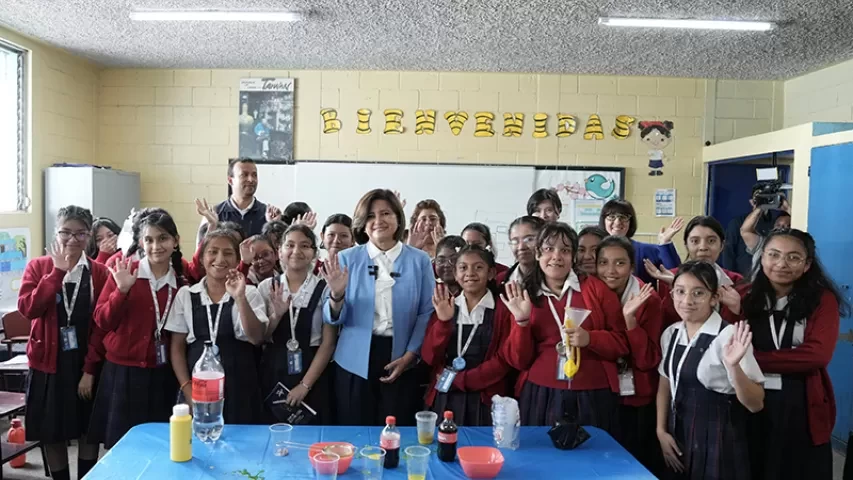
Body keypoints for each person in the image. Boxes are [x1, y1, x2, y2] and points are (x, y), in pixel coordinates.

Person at [499, 223, 628, 431]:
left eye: (565, 250)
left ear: (574, 256)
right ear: (538, 253)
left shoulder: (597, 290)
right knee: (542, 450)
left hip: (593, 391)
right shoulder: (523, 295)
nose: (556, 256)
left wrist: (590, 339)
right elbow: (518, 360)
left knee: (593, 450)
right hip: (540, 392)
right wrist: (521, 322)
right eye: (549, 249)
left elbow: (621, 344)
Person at [322, 189, 435, 426]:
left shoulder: (419, 260)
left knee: (396, 432)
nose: (378, 221)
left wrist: (410, 356)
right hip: (353, 360)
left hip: (402, 357)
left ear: (398, 219)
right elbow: (331, 317)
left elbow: (427, 313)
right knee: (354, 431)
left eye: (385, 213)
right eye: (371, 216)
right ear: (362, 224)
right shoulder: (346, 259)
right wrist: (337, 295)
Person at [743, 229, 849, 480]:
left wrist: (751, 359)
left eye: (793, 257)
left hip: (801, 402)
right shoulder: (744, 295)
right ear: (762, 257)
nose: (781, 264)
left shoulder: (822, 300)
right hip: (752, 399)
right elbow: (727, 346)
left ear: (807, 264)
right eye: (774, 255)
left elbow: (817, 355)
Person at [18, 206, 109, 480]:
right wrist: (56, 273)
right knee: (52, 433)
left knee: (87, 431)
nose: (72, 239)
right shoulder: (39, 267)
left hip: (85, 362)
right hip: (48, 365)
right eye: (66, 232)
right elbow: (29, 308)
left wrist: (90, 370)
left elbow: (101, 326)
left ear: (89, 236)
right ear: (56, 233)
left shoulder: (99, 272)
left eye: (80, 233)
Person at [656, 261, 765, 480]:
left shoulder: (729, 336)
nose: (687, 301)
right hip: (678, 433)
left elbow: (756, 404)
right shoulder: (671, 333)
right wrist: (661, 430)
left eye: (698, 293)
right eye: (680, 291)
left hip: (719, 437)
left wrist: (733, 366)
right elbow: (665, 383)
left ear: (714, 298)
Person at [89, 210, 183, 449]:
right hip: (122, 374)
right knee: (122, 448)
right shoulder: (124, 271)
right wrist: (121, 291)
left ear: (175, 241)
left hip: (162, 376)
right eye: (149, 240)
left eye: (163, 238)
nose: (156, 246)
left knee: (160, 447)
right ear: (141, 242)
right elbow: (102, 321)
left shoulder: (181, 282)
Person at [165, 228, 269, 424]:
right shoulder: (186, 295)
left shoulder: (250, 292)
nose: (220, 259)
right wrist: (187, 388)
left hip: (241, 387)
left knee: (242, 438)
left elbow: (257, 338)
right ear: (202, 258)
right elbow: (177, 348)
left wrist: (240, 297)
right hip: (199, 388)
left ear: (237, 259)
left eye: (228, 253)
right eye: (213, 252)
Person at [595, 236, 664, 475]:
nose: (610, 271)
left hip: (636, 398)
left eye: (620, 263)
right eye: (603, 262)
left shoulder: (648, 299)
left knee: (632, 465)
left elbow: (647, 360)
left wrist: (630, 321)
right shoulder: (593, 294)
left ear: (632, 266)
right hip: (603, 393)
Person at [422, 245, 512, 426]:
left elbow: (504, 360)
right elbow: (429, 357)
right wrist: (443, 322)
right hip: (446, 394)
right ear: (455, 274)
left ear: (491, 273)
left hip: (485, 397)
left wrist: (463, 380)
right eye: (463, 268)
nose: (470, 273)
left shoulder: (503, 310)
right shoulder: (445, 305)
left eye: (478, 267)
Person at [258, 225, 337, 424]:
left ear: (314, 253)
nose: (296, 251)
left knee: (313, 433)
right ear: (280, 252)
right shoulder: (266, 287)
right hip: (273, 369)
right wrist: (276, 316)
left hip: (313, 371)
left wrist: (305, 385)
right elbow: (260, 337)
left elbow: (328, 343)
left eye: (305, 246)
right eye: (290, 245)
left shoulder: (325, 288)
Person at [646, 216, 744, 328]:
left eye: (711, 241)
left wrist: (734, 308)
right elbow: (666, 324)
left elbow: (743, 330)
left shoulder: (737, 282)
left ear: (721, 245)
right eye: (695, 241)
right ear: (686, 245)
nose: (703, 247)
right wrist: (677, 287)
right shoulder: (670, 277)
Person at [599, 199, 682, 285]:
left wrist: (665, 243)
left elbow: (676, 274)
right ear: (604, 220)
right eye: (612, 217)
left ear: (630, 222)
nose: (617, 222)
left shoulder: (647, 250)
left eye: (623, 217)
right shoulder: (596, 250)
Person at [195, 158, 270, 245]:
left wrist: (275, 223)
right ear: (230, 180)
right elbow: (201, 249)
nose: (251, 179)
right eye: (244, 175)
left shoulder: (267, 214)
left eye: (254, 175)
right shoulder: (215, 213)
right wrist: (211, 225)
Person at [721, 187, 786, 276]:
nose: (762, 200)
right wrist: (730, 276)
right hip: (742, 275)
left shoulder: (777, 223)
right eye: (759, 198)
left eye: (766, 197)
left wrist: (785, 206)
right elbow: (728, 251)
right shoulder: (738, 222)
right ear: (751, 201)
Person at [739, 202, 791, 279]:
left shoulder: (797, 248)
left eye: (787, 226)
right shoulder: (762, 243)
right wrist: (760, 208)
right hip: (758, 286)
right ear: (773, 227)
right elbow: (745, 231)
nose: (782, 229)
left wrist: (788, 208)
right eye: (778, 225)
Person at [496, 216, 546, 288]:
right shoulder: (500, 280)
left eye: (529, 239)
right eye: (515, 241)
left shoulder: (556, 279)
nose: (521, 247)